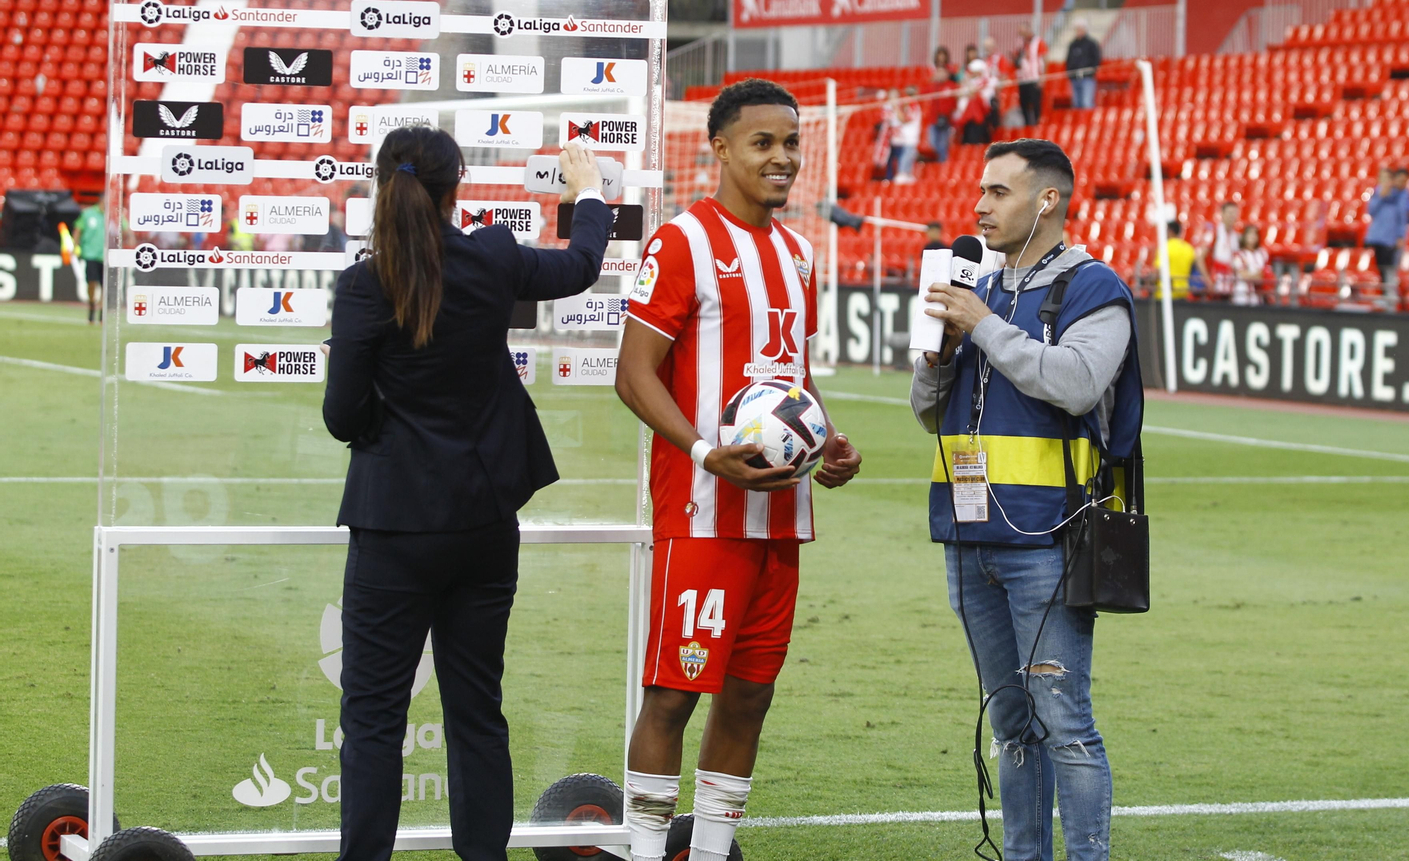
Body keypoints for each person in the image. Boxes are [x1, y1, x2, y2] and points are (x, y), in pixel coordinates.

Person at [323, 128, 613, 861]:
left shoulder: (364, 284)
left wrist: (380, 422)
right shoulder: (488, 257)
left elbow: (340, 418)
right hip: (483, 521)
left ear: (383, 187)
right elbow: (580, 267)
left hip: (392, 524)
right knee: (477, 711)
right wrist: (589, 194)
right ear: (457, 189)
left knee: (374, 720)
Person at [613, 79, 862, 861]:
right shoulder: (682, 241)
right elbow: (634, 372)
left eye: (791, 143)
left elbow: (793, 378)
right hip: (701, 515)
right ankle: (645, 852)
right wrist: (701, 450)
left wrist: (827, 438)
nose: (782, 158)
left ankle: (713, 852)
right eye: (763, 143)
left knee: (751, 695)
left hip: (780, 519)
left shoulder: (798, 251)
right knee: (673, 694)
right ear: (719, 149)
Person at [911, 138, 1142, 861]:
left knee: (1063, 721)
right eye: (979, 191)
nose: (979, 206)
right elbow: (925, 412)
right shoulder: (975, 283)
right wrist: (940, 355)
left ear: (1047, 200)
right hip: (969, 534)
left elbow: (1075, 382)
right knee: (1011, 723)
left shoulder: (1093, 288)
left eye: (998, 192)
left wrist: (980, 323)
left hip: (1051, 538)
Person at [1364, 166, 1409, 309]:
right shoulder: (1379, 192)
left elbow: (1403, 217)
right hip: (1378, 236)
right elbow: (1371, 211)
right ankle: (1385, 295)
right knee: (1381, 267)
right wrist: (1381, 196)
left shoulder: (1402, 195)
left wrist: (1400, 236)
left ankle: (1390, 296)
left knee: (1389, 267)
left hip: (1391, 238)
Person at [72, 195, 106, 323]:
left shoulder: (114, 216)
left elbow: (125, 229)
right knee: (92, 282)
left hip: (107, 257)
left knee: (105, 286)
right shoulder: (88, 214)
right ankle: (92, 305)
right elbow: (78, 230)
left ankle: (102, 312)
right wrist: (74, 246)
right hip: (91, 254)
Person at [1153, 219, 1206, 299]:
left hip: (1165, 293)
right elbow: (1197, 266)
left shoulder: (1164, 248)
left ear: (1170, 231)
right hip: (1183, 293)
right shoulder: (1189, 248)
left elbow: (1158, 270)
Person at [925, 47, 957, 164]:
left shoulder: (952, 86)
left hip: (946, 120)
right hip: (933, 119)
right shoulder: (932, 86)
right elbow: (922, 94)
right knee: (932, 145)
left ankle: (941, 165)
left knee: (943, 145)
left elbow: (955, 102)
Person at [1065, 20, 1101, 110]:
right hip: (1074, 78)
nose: (1079, 31)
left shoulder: (1091, 43)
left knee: (1087, 103)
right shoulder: (1073, 44)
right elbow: (1069, 59)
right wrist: (1070, 73)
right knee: (1076, 103)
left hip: (1087, 77)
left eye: (1080, 29)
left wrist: (1091, 70)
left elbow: (1096, 58)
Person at [889, 88, 922, 184]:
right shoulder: (910, 104)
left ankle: (904, 173)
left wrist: (895, 106)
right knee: (907, 154)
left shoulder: (912, 105)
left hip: (910, 135)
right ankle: (902, 173)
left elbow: (904, 119)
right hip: (907, 135)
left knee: (908, 154)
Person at [1015, 26, 1046, 126]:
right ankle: (1027, 124)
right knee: (1023, 102)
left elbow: (1044, 58)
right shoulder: (1021, 45)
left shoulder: (1038, 42)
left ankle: (1036, 123)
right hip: (1023, 79)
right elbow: (1016, 61)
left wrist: (1043, 75)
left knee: (1035, 102)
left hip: (1035, 78)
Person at [1231, 224, 1268, 305]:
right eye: (1250, 233)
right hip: (1242, 295)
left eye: (1255, 234)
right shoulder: (1239, 254)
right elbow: (1244, 275)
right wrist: (1256, 276)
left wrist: (1257, 276)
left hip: (1258, 295)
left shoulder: (1262, 253)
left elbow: (1264, 273)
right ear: (1244, 236)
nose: (1253, 236)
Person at [1209, 200, 1240, 294]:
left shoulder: (1236, 236)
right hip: (1216, 279)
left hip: (1230, 282)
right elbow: (1200, 257)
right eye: (1229, 213)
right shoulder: (1214, 232)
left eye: (1235, 213)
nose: (1232, 216)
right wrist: (1208, 281)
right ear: (1222, 214)